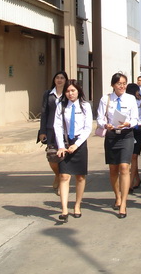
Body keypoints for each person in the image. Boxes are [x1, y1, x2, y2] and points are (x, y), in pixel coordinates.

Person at [97, 73, 139, 218]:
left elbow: (136, 118)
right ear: (113, 85)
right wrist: (105, 125)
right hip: (112, 135)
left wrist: (129, 123)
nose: (122, 86)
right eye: (119, 83)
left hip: (126, 135)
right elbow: (100, 118)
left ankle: (124, 204)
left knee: (124, 167)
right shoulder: (105, 99)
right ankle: (117, 196)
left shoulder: (131, 98)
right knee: (113, 168)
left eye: (124, 83)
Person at [53, 81, 92, 221]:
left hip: (79, 142)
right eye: (68, 91)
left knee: (80, 177)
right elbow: (57, 126)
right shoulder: (61, 106)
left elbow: (88, 127)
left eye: (73, 91)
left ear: (78, 91)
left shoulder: (85, 106)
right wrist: (60, 146)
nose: (70, 94)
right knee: (64, 176)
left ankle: (77, 205)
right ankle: (64, 209)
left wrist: (77, 144)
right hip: (65, 142)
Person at [37, 71, 68, 195]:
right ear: (54, 80)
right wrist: (42, 131)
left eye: (62, 78)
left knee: (63, 156)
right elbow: (44, 113)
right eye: (57, 78)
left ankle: (62, 181)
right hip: (51, 129)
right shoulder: (48, 94)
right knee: (52, 157)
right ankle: (57, 174)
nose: (59, 80)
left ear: (65, 80)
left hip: (65, 130)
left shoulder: (68, 93)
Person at [126, 82, 141, 192]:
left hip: (139, 129)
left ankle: (130, 182)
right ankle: (137, 179)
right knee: (131, 156)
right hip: (129, 128)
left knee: (134, 156)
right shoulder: (127, 101)